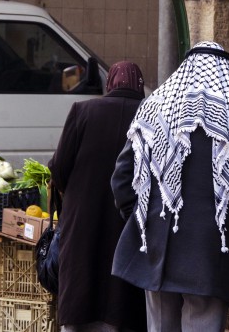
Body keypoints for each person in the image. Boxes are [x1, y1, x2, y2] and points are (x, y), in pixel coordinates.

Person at [110, 41, 229, 332]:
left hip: (155, 244)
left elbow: (122, 177)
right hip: (208, 250)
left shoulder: (153, 104)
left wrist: (142, 217)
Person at [48, 61, 148, 332]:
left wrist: (75, 192)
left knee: (82, 275)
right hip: (130, 217)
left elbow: (59, 167)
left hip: (83, 215)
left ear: (110, 83)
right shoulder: (151, 115)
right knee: (121, 287)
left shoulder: (84, 110)